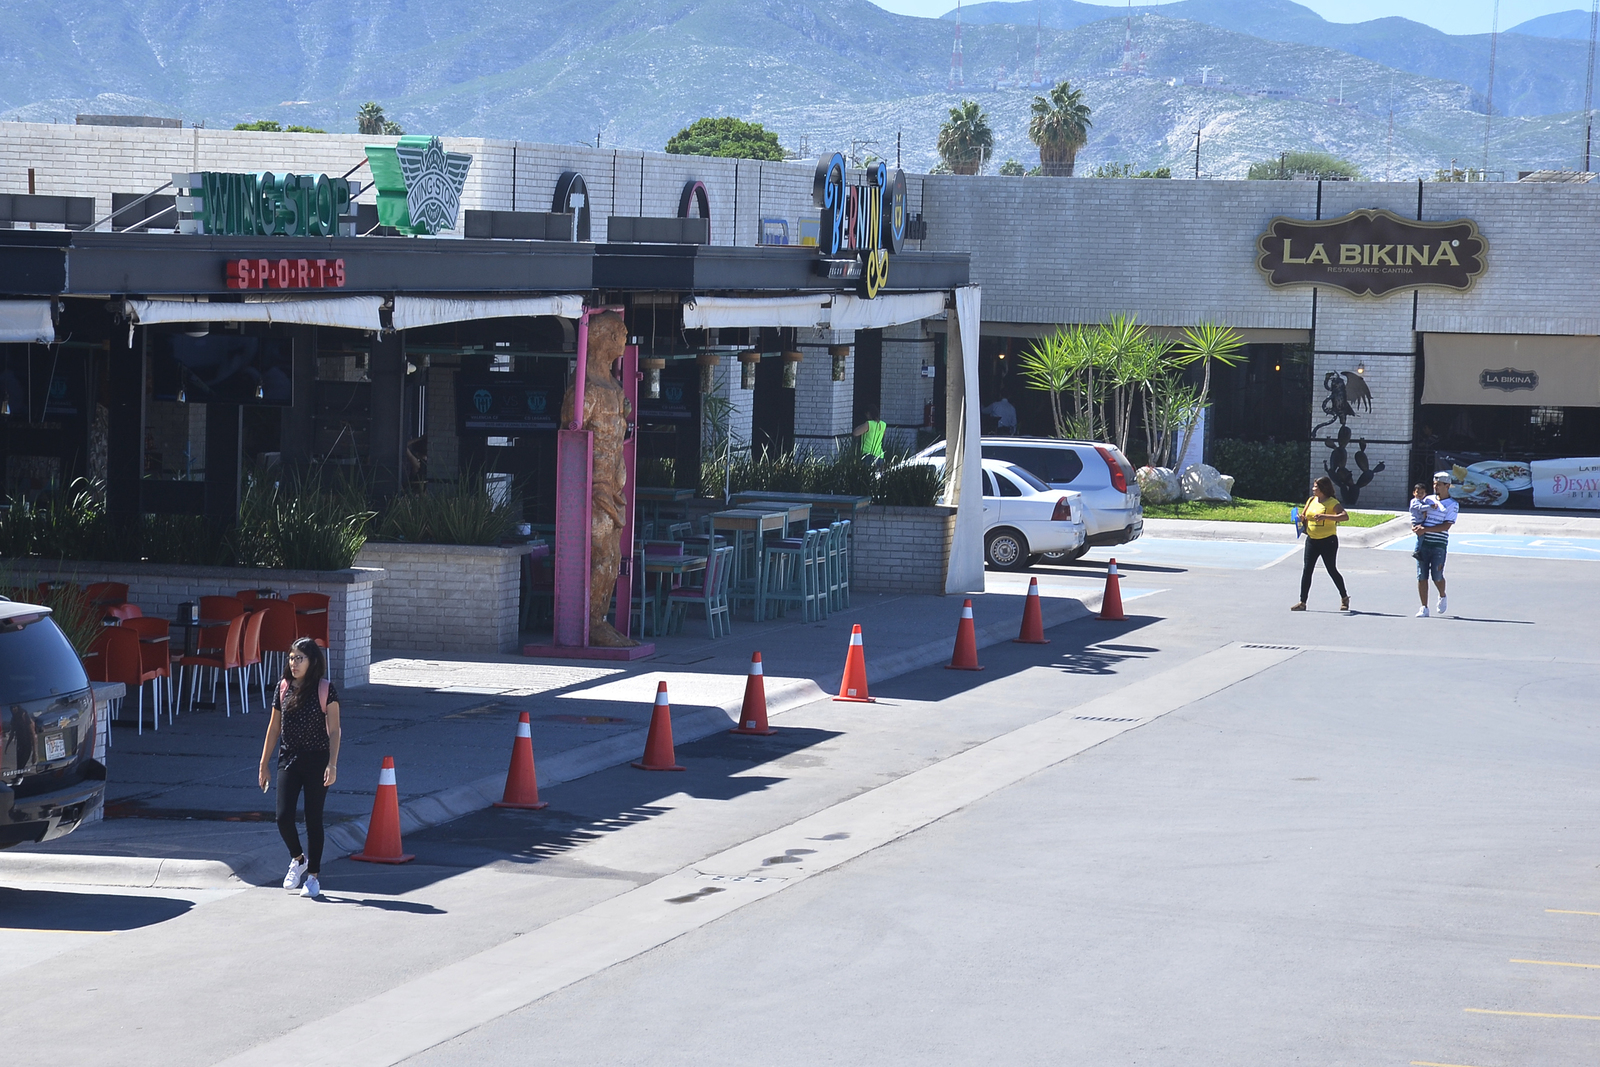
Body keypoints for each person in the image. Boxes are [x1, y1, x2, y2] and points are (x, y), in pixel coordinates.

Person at [258, 637, 342, 898]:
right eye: (291, 658)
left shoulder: (325, 689)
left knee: (313, 818)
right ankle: (298, 858)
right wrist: (264, 763)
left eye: (299, 658)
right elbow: (274, 727)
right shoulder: (283, 687)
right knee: (283, 816)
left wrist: (332, 764)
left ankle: (313, 876)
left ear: (312, 661)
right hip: (289, 759)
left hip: (318, 759)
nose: (293, 663)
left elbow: (335, 730)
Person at [1291, 475, 1350, 612]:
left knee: (1331, 569)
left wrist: (1325, 516)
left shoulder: (1332, 502)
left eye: (1316, 487)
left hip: (1328, 541)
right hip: (1312, 540)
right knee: (1307, 570)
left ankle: (1344, 597)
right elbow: (1305, 516)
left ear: (1323, 488)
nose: (1313, 489)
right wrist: (1300, 518)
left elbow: (1345, 516)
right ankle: (1302, 602)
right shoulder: (1311, 500)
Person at [1414, 471, 1458, 617]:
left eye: (1438, 484)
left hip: (1439, 544)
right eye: (1434, 484)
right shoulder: (1428, 499)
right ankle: (1424, 607)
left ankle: (1442, 595)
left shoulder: (1452, 504)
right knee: (1421, 575)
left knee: (1437, 575)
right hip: (1423, 543)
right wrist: (1416, 527)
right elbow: (1418, 514)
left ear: (1447, 486)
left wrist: (1426, 529)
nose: (1435, 487)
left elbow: (1446, 526)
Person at [1408, 483, 1431, 560]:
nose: (1420, 494)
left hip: (1421, 521)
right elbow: (1421, 508)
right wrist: (1431, 506)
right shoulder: (1414, 501)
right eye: (1418, 492)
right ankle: (1417, 551)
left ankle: (1421, 550)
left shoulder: (1422, 501)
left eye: (1422, 493)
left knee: (1423, 537)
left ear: (1425, 494)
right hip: (1417, 522)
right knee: (1420, 537)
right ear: (1414, 493)